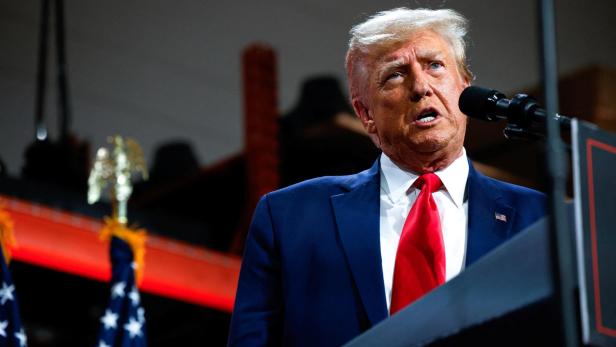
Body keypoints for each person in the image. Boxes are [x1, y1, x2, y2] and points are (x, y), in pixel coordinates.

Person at [228, 7, 547, 347]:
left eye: (435, 66)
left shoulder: (540, 220)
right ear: (365, 113)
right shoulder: (290, 217)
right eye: (395, 75)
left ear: (465, 88)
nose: (421, 86)